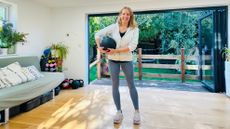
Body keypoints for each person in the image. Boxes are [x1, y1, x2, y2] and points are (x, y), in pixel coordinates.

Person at [95, 6, 140, 125]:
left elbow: (132, 46)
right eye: (123, 14)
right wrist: (99, 47)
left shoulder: (134, 29)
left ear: (130, 17)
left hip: (126, 60)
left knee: (131, 85)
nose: (125, 16)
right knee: (115, 85)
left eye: (128, 14)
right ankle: (119, 111)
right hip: (113, 60)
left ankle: (136, 111)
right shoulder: (113, 27)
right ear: (120, 15)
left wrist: (116, 51)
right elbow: (98, 34)